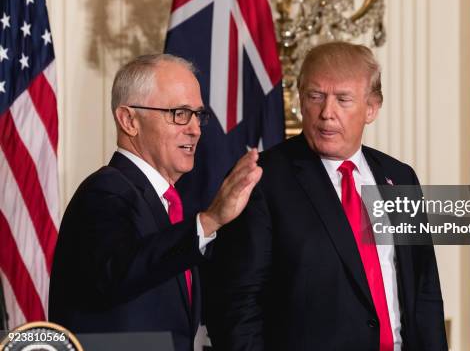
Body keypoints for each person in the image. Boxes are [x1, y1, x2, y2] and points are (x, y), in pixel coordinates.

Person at [207, 42, 448, 350]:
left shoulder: (399, 177)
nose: (326, 113)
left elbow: (424, 290)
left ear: (372, 108)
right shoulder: (263, 179)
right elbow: (237, 304)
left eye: (343, 99)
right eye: (315, 96)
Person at [49, 54, 262, 351]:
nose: (195, 129)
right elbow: (118, 273)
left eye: (197, 115)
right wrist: (209, 220)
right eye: (179, 113)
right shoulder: (105, 192)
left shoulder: (165, 203)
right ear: (129, 120)